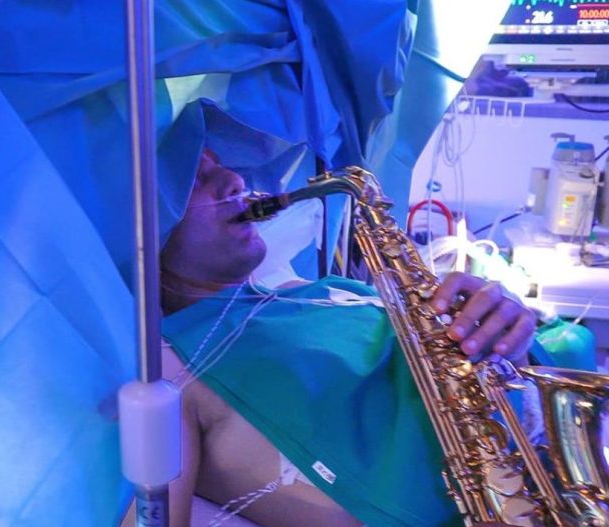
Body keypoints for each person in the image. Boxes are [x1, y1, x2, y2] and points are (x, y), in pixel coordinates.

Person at [122, 149, 537, 527]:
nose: (232, 179)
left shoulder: (331, 290)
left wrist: (502, 335)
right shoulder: (170, 368)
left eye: (218, 162)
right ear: (134, 233)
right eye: (192, 177)